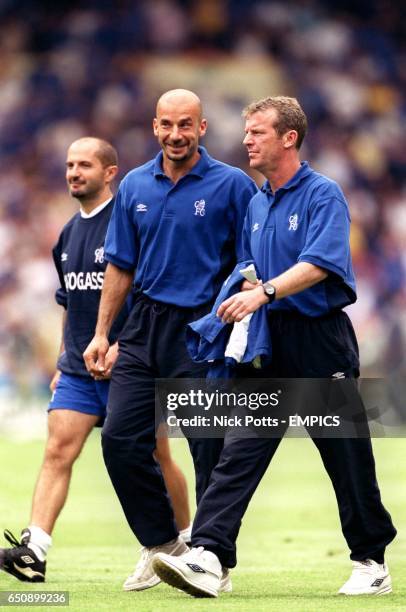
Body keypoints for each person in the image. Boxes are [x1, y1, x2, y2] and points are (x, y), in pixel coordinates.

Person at [152, 96, 397, 598]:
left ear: (288, 138)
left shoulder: (322, 194)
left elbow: (322, 263)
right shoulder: (257, 202)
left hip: (318, 340)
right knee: (239, 451)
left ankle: (371, 561)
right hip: (266, 340)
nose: (247, 140)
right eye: (246, 132)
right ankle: (210, 555)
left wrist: (263, 292)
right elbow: (248, 264)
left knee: (345, 456)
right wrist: (239, 294)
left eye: (258, 132)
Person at [83, 89, 258, 592]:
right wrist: (101, 334)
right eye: (166, 125)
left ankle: (212, 557)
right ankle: (162, 544)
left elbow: (250, 263)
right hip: (143, 328)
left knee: (208, 447)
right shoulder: (135, 184)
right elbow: (120, 264)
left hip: (204, 329)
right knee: (118, 440)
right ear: (154, 127)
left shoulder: (233, 186)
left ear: (202, 128)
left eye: (186, 125)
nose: (176, 135)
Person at [0, 137, 191, 584]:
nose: (73, 172)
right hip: (79, 368)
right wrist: (65, 358)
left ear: (110, 173)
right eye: (69, 165)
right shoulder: (68, 233)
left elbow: (149, 294)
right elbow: (70, 301)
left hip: (134, 361)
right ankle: (35, 550)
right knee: (56, 449)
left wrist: (126, 344)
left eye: (84, 164)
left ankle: (183, 544)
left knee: (157, 454)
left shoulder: (129, 223)